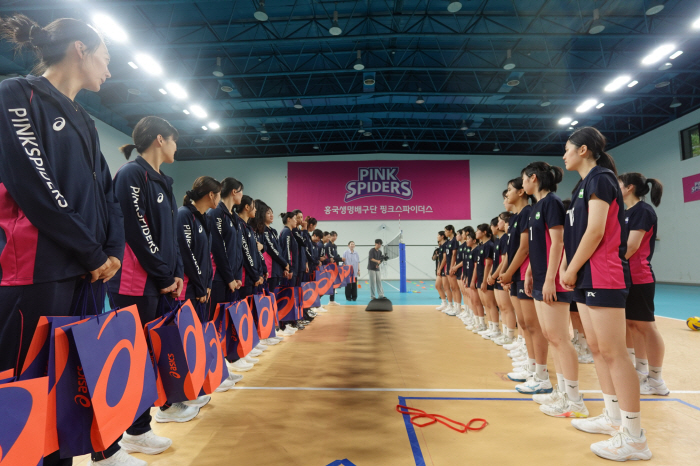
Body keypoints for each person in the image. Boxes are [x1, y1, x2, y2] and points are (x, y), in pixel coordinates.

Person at [0, 14, 124, 466]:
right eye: (106, 58)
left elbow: (106, 193)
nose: (109, 70)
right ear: (80, 49)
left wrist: (111, 251)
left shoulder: (86, 120)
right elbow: (33, 181)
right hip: (38, 272)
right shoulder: (16, 94)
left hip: (87, 271)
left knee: (66, 390)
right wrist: (91, 250)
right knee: (27, 396)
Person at [94, 117, 182, 465]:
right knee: (130, 360)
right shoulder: (133, 174)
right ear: (160, 139)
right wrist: (162, 274)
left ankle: (138, 430)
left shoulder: (163, 181)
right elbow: (136, 228)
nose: (177, 147)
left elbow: (168, 237)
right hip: (133, 283)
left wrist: (173, 273)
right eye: (174, 140)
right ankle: (116, 440)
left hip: (157, 282)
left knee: (150, 359)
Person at [561, 127, 650, 461]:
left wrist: (570, 269)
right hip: (585, 276)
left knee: (614, 352)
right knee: (597, 349)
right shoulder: (582, 185)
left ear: (583, 149)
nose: (564, 154)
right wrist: (569, 268)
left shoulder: (601, 179)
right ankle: (613, 417)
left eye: (568, 149)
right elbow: (577, 233)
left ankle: (635, 437)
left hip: (603, 274)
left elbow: (597, 230)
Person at [521, 161, 588, 418]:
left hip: (553, 280)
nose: (523, 183)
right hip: (539, 277)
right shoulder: (536, 206)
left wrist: (550, 279)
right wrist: (529, 272)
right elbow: (540, 244)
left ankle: (574, 400)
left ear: (534, 178)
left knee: (559, 337)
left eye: (524, 179)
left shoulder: (552, 203)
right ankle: (562, 392)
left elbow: (558, 242)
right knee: (551, 336)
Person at [618, 172, 668, 396]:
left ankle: (657, 380)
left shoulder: (643, 211)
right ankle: (640, 372)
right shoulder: (625, 212)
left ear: (629, 188)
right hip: (625, 276)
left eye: (618, 184)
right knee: (631, 325)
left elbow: (631, 247)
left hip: (640, 277)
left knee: (646, 326)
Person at [434, 231, 448, 310]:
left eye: (438, 235)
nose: (437, 237)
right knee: (437, 286)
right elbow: (440, 259)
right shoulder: (441, 246)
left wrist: (440, 268)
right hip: (440, 268)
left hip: (445, 268)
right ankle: (444, 303)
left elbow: (445, 259)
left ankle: (450, 305)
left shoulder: (446, 245)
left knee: (447, 287)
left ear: (442, 236)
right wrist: (438, 268)